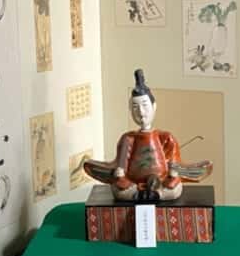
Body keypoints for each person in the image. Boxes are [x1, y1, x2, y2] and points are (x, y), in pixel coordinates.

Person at [83, 69, 212, 202]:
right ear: (130, 110)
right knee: (118, 190)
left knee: (175, 190)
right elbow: (121, 168)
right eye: (135, 107)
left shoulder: (165, 137)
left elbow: (174, 165)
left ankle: (157, 195)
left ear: (154, 106)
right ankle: (138, 195)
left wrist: (173, 174)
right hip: (133, 183)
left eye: (145, 105)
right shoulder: (128, 139)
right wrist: (120, 174)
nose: (141, 112)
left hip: (160, 183)